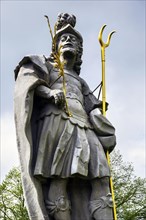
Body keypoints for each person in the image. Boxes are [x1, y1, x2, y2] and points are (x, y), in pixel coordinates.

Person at [14, 13, 116, 220]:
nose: (69, 41)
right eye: (64, 38)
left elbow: (91, 104)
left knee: (101, 177)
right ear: (56, 46)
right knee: (59, 178)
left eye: (74, 40)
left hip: (85, 126)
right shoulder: (46, 67)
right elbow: (30, 84)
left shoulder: (80, 80)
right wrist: (50, 93)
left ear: (79, 51)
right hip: (57, 121)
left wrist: (99, 117)